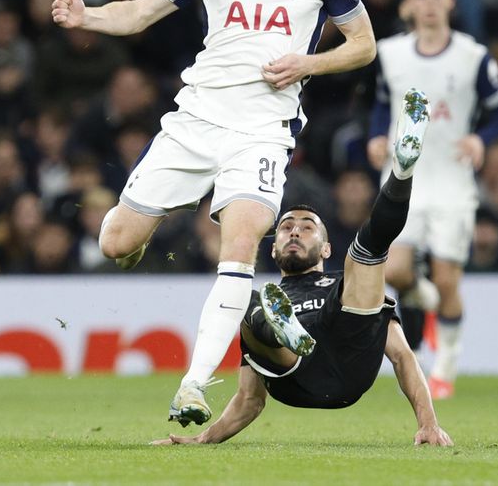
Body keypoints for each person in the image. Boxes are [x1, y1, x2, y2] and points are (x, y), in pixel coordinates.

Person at [52, 0, 375, 426]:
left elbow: (362, 45)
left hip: (262, 132)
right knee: (115, 243)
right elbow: (141, 13)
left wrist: (307, 63)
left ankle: (192, 387)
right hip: (195, 119)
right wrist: (87, 17)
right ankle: (139, 243)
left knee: (241, 248)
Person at [154, 90, 452, 446]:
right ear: (274, 247)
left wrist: (428, 423)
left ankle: (401, 172)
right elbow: (250, 400)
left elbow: (403, 356)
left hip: (349, 357)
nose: (295, 229)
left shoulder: (346, 285)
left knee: (365, 257)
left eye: (307, 226)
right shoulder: (263, 302)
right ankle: (285, 334)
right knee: (244, 299)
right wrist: (204, 439)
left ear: (325, 247)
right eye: (285, 227)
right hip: (294, 372)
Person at [366, 0, 498, 400]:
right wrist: (379, 136)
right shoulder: (390, 53)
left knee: (448, 279)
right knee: (393, 269)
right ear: (408, 4)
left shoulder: (472, 56)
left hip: (452, 181)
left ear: (451, 1)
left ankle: (446, 363)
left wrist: (479, 137)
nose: (429, 3)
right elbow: (382, 105)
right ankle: (425, 299)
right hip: (402, 178)